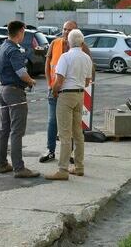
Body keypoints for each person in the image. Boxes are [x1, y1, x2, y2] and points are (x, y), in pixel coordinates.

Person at [40, 21, 92, 163]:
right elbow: (48, 64)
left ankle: (68, 154)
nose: (66, 32)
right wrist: (50, 84)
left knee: (70, 126)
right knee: (52, 121)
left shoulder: (83, 49)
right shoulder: (54, 43)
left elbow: (89, 70)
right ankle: (50, 150)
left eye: (70, 30)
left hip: (69, 92)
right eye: (64, 29)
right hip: (55, 89)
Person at [0, 21, 40, 178]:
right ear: (20, 31)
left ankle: (2, 164)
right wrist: (31, 81)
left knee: (4, 129)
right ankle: (19, 168)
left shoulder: (0, 48)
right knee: (17, 131)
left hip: (2, 90)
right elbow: (21, 72)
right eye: (24, 32)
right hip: (14, 92)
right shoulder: (13, 50)